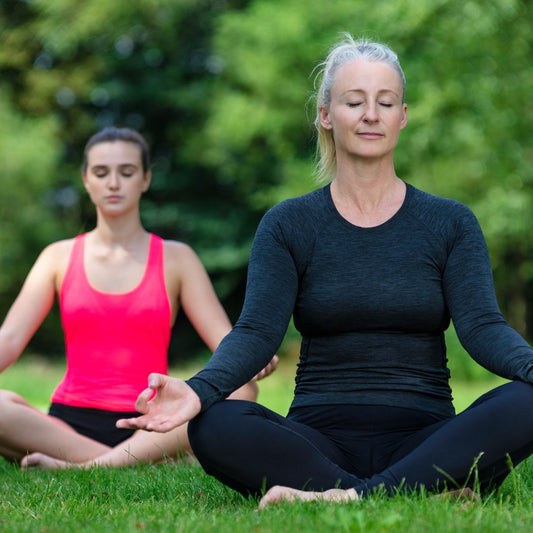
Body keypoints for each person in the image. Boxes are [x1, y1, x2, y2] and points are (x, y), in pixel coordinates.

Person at [117, 35, 533, 507]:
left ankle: (346, 497)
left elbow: (483, 328)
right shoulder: (288, 224)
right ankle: (421, 490)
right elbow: (256, 332)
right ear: (326, 114)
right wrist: (198, 391)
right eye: (354, 101)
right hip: (318, 440)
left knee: (527, 400)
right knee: (214, 422)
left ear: (403, 116)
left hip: (426, 435)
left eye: (386, 102)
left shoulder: (450, 222)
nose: (371, 114)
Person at [0, 126, 277, 470]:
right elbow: (9, 338)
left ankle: (92, 465)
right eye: (101, 172)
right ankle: (142, 462)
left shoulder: (178, 258)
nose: (113, 183)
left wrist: (253, 356)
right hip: (68, 423)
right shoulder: (57, 256)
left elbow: (225, 341)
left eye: (126, 172)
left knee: (243, 390)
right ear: (86, 180)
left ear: (145, 179)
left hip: (154, 419)